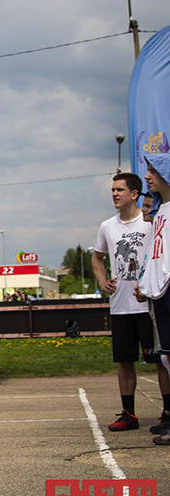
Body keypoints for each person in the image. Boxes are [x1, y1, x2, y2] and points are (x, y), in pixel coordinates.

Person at [94, 173, 169, 433]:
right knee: (125, 361)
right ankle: (129, 414)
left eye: (120, 190)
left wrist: (150, 287)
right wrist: (103, 281)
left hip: (147, 305)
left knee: (160, 360)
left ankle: (167, 413)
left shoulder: (150, 222)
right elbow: (97, 257)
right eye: (112, 190)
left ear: (134, 194)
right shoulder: (107, 226)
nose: (114, 194)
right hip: (120, 305)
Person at [132, 158, 170, 445]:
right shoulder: (160, 212)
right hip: (160, 294)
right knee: (167, 357)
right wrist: (147, 285)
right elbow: (156, 257)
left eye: (154, 172)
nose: (148, 176)